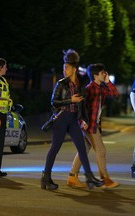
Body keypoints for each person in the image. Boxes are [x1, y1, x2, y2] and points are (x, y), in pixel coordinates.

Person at [41, 49, 104, 190]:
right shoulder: (61, 84)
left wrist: (84, 120)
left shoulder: (80, 85)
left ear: (74, 69)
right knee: (55, 148)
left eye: (67, 68)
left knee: (82, 148)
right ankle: (46, 177)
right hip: (61, 119)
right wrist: (70, 100)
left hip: (74, 120)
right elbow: (54, 102)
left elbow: (82, 105)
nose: (64, 70)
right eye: (64, 68)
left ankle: (89, 177)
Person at [67, 63, 119, 189]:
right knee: (101, 151)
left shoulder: (100, 87)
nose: (105, 74)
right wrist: (82, 121)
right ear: (95, 75)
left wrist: (107, 81)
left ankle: (72, 177)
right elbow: (80, 106)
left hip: (94, 124)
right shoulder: (90, 88)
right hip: (89, 124)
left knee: (83, 150)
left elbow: (114, 95)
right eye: (102, 73)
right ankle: (105, 179)